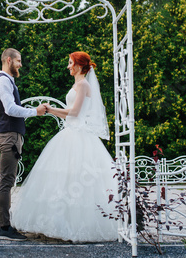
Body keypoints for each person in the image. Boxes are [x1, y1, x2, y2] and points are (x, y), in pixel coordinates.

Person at [10, 51, 118, 242]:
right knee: (60, 179)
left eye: (70, 63)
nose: (68, 66)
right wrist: (51, 112)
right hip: (70, 132)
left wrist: (50, 109)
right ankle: (55, 223)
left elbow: (75, 112)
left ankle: (76, 226)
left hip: (80, 136)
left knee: (75, 180)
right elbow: (68, 114)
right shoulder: (77, 84)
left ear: (78, 65)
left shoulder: (83, 84)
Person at [0, 48, 46, 241]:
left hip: (11, 136)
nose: (20, 65)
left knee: (8, 180)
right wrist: (35, 112)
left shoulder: (7, 81)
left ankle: (6, 225)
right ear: (9, 60)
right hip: (8, 137)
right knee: (6, 181)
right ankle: (5, 228)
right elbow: (10, 109)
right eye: (19, 61)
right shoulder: (4, 81)